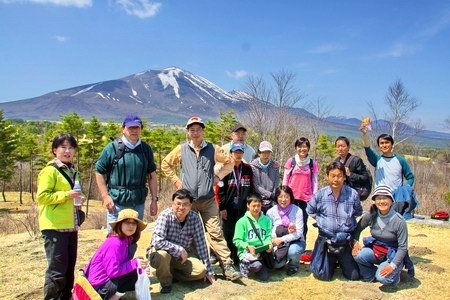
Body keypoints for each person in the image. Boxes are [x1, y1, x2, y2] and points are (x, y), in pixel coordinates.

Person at [161, 116, 242, 281]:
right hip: (188, 201)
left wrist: (218, 177)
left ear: (203, 131)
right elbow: (165, 164)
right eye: (192, 129)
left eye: (198, 129)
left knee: (215, 232)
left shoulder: (213, 148)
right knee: (187, 233)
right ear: (188, 132)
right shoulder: (181, 149)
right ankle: (191, 265)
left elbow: (230, 162)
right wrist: (177, 181)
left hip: (208, 200)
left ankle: (227, 265)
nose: (195, 132)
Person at [37, 133, 83, 300]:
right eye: (63, 147)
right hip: (55, 227)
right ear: (54, 150)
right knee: (56, 271)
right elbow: (42, 197)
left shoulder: (72, 171)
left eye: (71, 147)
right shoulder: (49, 171)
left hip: (71, 226)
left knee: (69, 269)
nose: (67, 151)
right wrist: (66, 195)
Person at [95, 114, 158, 232]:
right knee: (114, 240)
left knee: (133, 241)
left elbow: (152, 175)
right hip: (116, 204)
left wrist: (154, 200)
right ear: (123, 129)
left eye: (137, 127)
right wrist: (105, 196)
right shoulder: (112, 148)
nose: (134, 130)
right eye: (130, 128)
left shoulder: (145, 149)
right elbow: (99, 171)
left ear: (141, 129)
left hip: (138, 204)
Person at [147, 189, 216, 294]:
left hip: (181, 257)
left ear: (191, 205)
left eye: (185, 204)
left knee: (201, 271)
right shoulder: (165, 215)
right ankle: (165, 283)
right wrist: (178, 249)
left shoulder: (195, 218)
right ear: (172, 204)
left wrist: (209, 270)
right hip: (160, 253)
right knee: (163, 255)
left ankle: (171, 272)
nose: (181, 207)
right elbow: (157, 241)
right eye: (178, 204)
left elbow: (201, 244)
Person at [307, 162, 362, 281]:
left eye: (339, 176)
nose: (336, 179)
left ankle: (342, 260)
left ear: (344, 177)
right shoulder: (320, 194)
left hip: (345, 239)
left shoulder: (353, 194)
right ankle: (331, 260)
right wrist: (321, 221)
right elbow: (310, 210)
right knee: (323, 275)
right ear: (327, 177)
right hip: (326, 240)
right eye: (332, 175)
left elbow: (358, 212)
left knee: (354, 276)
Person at [352, 185, 414, 285]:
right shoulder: (371, 215)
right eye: (378, 198)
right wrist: (355, 243)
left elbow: (403, 247)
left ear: (391, 200)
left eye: (385, 198)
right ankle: (370, 275)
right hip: (377, 250)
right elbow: (357, 229)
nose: (382, 201)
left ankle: (396, 275)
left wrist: (392, 266)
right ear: (375, 201)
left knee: (383, 278)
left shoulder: (399, 221)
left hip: (393, 254)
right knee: (358, 254)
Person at [84, 209, 148, 299]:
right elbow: (113, 272)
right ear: (119, 224)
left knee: (137, 269)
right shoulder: (115, 242)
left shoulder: (124, 239)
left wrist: (139, 265)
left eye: (134, 223)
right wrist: (135, 264)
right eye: (127, 222)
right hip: (97, 288)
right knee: (134, 273)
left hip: (103, 283)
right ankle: (113, 298)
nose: (131, 226)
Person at [218, 142, 255, 263]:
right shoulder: (225, 168)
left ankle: (239, 257)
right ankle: (227, 259)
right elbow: (220, 189)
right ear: (231, 154)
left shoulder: (248, 168)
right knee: (228, 232)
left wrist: (250, 205)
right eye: (235, 152)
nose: (238, 155)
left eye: (240, 152)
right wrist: (222, 207)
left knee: (241, 232)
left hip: (243, 207)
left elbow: (251, 188)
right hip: (228, 207)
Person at [283, 137, 319, 241]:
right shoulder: (291, 161)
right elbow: (285, 178)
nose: (302, 149)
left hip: (306, 198)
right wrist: (284, 194)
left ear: (308, 148)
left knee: (303, 222)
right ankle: (288, 243)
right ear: (296, 147)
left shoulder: (312, 163)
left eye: (305, 146)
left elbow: (315, 181)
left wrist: (314, 196)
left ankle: (301, 245)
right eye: (300, 146)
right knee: (290, 221)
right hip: (292, 197)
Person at [266, 186, 306, 276]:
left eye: (286, 196)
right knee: (277, 265)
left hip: (296, 241)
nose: (283, 200)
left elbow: (299, 233)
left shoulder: (298, 210)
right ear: (276, 197)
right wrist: (275, 240)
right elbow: (268, 230)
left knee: (293, 251)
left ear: (291, 197)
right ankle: (282, 260)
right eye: (280, 196)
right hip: (277, 242)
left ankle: (293, 266)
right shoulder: (270, 212)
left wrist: (282, 239)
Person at [360, 127, 414, 192]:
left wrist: (405, 188)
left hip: (396, 198)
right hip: (380, 197)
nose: (384, 145)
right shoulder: (377, 160)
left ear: (392, 144)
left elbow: (410, 178)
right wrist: (365, 133)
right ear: (379, 146)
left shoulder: (401, 161)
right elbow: (367, 148)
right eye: (382, 143)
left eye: (387, 142)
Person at [233, 194, 273, 281]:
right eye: (253, 206)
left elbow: (268, 236)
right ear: (248, 205)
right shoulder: (242, 222)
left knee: (264, 277)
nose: (256, 208)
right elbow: (236, 240)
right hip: (246, 252)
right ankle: (245, 265)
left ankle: (256, 265)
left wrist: (268, 244)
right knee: (257, 266)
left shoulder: (267, 220)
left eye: (258, 206)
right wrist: (247, 246)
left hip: (261, 251)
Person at [334, 136, 372, 201]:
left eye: (343, 146)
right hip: (342, 194)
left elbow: (365, 178)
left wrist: (350, 174)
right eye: (338, 146)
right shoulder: (336, 161)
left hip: (354, 195)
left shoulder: (356, 160)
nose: (340, 149)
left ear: (348, 147)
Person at [250, 141, 280, 213]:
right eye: (264, 152)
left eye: (268, 152)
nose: (266, 155)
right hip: (258, 198)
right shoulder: (252, 166)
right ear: (259, 153)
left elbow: (276, 183)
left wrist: (274, 195)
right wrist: (270, 195)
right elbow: (256, 186)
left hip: (272, 200)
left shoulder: (275, 165)